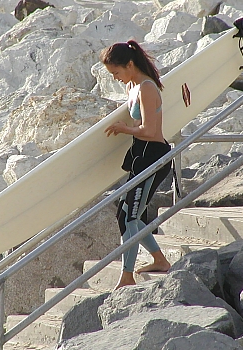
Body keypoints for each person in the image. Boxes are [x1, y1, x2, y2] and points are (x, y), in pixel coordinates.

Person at [101, 40, 172, 290]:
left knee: (131, 217)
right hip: (140, 158)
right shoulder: (132, 85)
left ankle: (127, 276)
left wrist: (124, 128)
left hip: (153, 157)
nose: (116, 78)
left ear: (130, 64)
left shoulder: (147, 88)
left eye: (116, 72)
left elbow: (151, 131)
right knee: (125, 215)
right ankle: (160, 260)